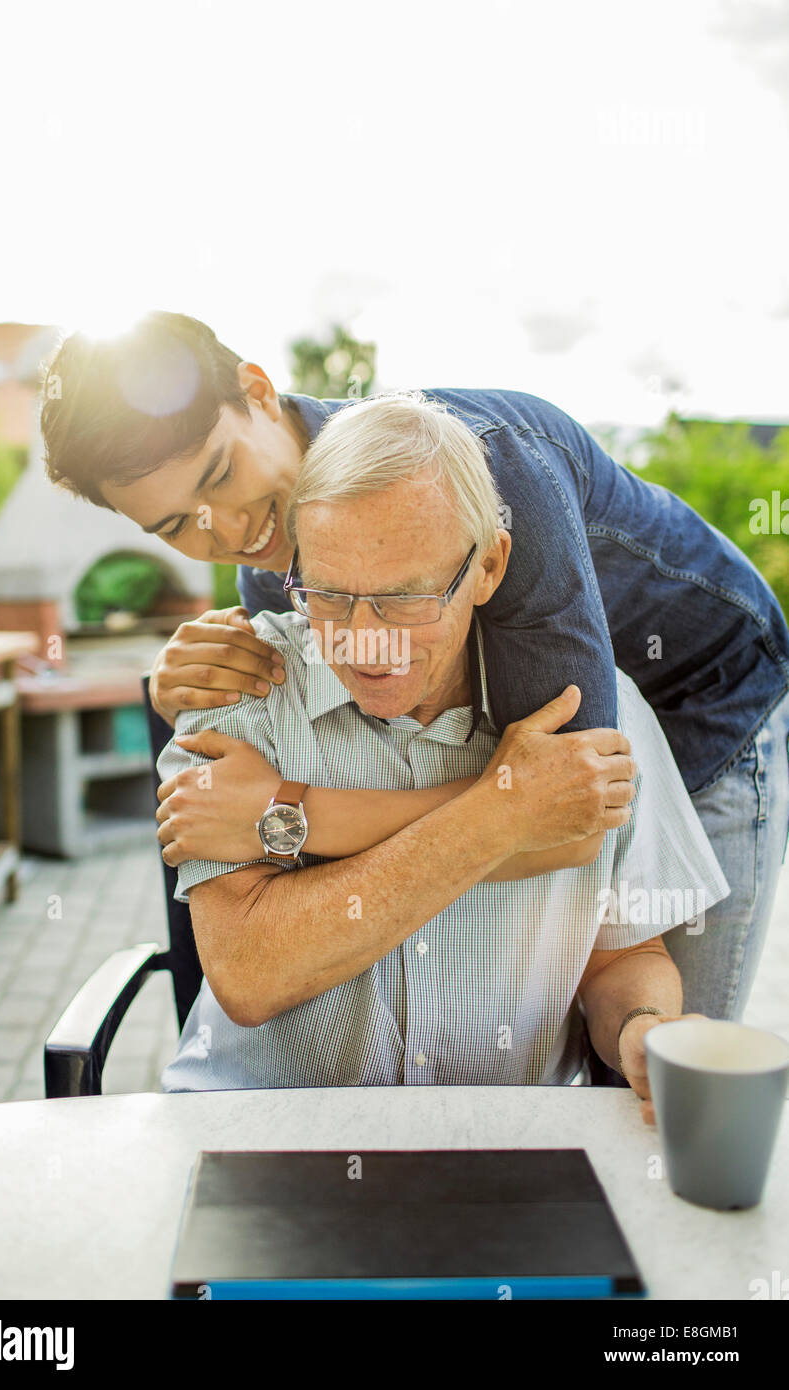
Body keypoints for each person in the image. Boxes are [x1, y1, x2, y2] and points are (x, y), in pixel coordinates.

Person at [40, 310, 789, 1029]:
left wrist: (281, 817)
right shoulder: (273, 571)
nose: (229, 530)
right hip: (591, 728)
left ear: (260, 391)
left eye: (221, 473)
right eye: (175, 526)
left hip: (707, 688)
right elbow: (509, 809)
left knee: (664, 1060)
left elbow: (562, 827)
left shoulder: (489, 478)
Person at [153, 392, 728, 1111]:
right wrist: (502, 815)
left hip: (505, 1150)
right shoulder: (238, 692)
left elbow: (624, 956)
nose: (365, 639)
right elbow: (251, 975)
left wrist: (644, 1028)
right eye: (329, 595)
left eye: (404, 597)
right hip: (259, 1137)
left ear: (488, 567)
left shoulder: (598, 722)